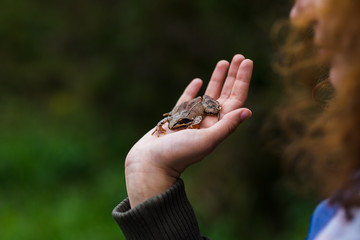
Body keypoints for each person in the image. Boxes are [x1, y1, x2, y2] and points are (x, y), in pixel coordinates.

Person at [112, 0, 360, 239]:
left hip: (195, 111)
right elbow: (168, 122)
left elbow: (194, 119)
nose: (296, 14)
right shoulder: (337, 210)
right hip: (183, 114)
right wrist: (148, 174)